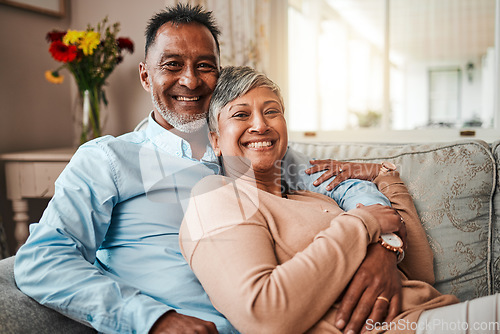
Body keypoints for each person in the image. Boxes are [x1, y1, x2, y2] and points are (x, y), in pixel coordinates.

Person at [15, 4, 402, 334]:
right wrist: (154, 319)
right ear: (146, 75)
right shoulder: (109, 160)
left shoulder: (249, 143)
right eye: (172, 65)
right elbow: (43, 260)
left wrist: (383, 247)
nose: (190, 80)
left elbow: (344, 185)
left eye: (205, 66)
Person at [179, 66, 499, 334]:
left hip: (431, 315)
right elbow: (264, 315)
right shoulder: (214, 195)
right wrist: (364, 224)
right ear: (216, 140)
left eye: (272, 111)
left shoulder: (317, 193)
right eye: (241, 114)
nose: (261, 124)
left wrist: (383, 178)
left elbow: (419, 273)